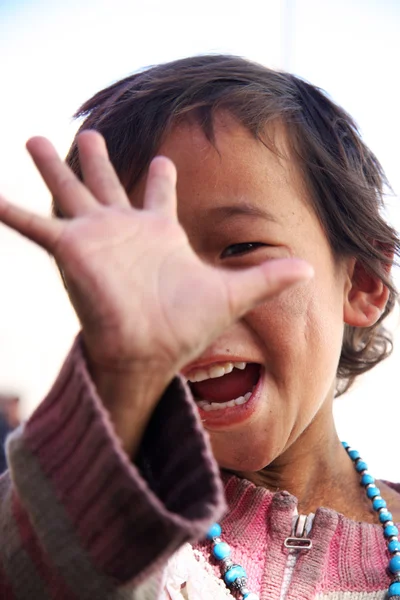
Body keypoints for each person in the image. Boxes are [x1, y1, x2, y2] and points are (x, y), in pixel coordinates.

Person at [0, 54, 399, 600]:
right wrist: (126, 372)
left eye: (239, 248)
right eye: (142, 275)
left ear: (363, 283)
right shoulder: (94, 528)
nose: (190, 305)